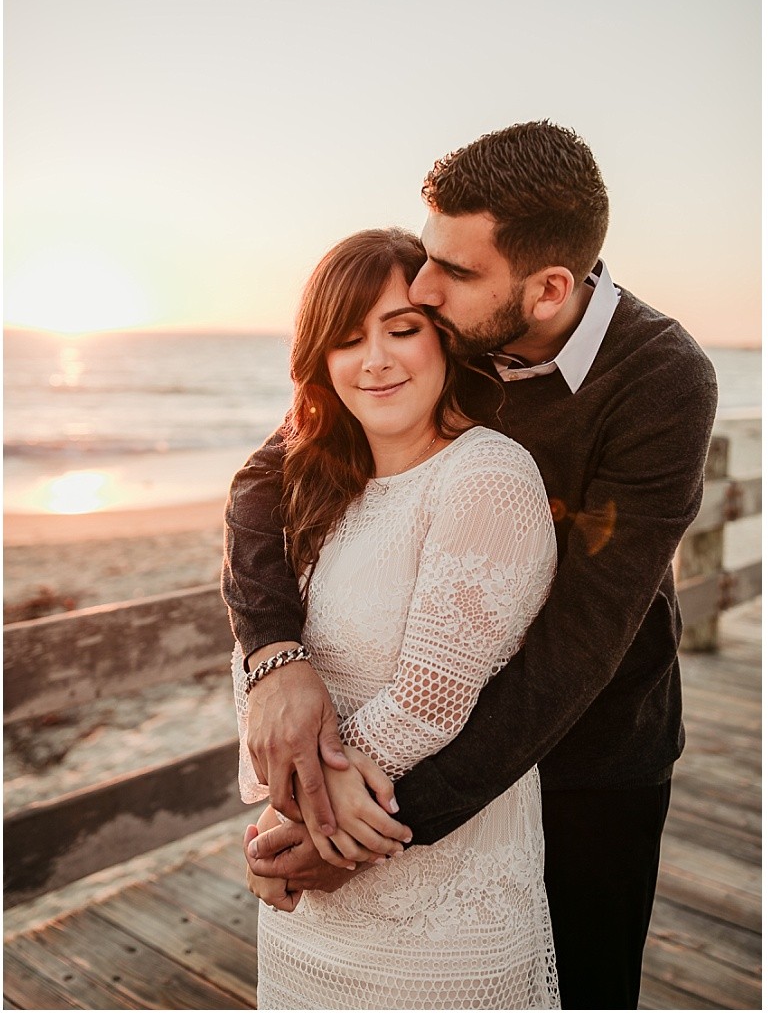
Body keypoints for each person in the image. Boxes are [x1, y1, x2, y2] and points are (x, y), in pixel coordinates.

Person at [227, 122, 718, 1008]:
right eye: (430, 256)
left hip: (593, 749)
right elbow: (267, 478)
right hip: (417, 742)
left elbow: (581, 640)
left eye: (453, 270)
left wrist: (362, 825)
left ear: (548, 289)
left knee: (588, 987)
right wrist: (274, 657)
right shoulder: (445, 333)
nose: (421, 284)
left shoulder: (662, 378)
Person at [231, 228, 558, 1006]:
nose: (374, 359)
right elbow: (265, 680)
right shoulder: (310, 485)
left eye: (400, 329)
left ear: (444, 337)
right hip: (311, 918)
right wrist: (283, 820)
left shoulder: (488, 476)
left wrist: (313, 825)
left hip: (438, 913)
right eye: (346, 340)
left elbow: (429, 698)